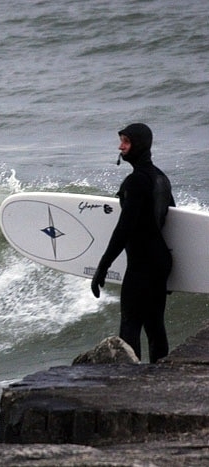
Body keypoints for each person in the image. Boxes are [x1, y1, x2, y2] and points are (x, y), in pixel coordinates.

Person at [90, 123, 175, 363]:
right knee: (155, 326)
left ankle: (130, 382)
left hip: (142, 264)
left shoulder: (136, 182)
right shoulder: (160, 177)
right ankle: (161, 377)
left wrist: (103, 266)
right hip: (159, 261)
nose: (120, 147)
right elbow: (172, 220)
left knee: (129, 327)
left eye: (126, 142)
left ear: (139, 144)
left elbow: (124, 229)